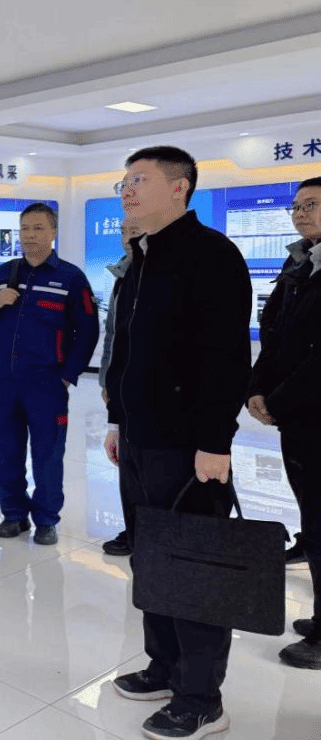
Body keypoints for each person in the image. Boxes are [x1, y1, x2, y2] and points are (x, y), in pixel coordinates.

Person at [104, 146, 251, 739]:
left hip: (189, 447)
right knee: (152, 560)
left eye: (139, 180)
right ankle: (162, 667)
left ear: (180, 187)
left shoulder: (212, 255)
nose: (127, 190)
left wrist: (215, 441)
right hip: (140, 440)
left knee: (194, 570)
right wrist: (118, 419)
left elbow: (226, 357)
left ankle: (201, 698)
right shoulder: (143, 255)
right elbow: (126, 350)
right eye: (124, 181)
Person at [0, 203, 99, 546]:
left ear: (53, 232)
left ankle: (46, 519)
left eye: (38, 228)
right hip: (4, 380)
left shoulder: (70, 277)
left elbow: (88, 330)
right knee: (8, 451)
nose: (30, 235)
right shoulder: (4, 272)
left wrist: (68, 374)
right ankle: (14, 515)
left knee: (47, 453)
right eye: (25, 228)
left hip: (47, 382)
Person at [246, 176, 321, 670]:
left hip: (312, 412)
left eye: (311, 204)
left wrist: (277, 398)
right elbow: (273, 335)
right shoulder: (299, 265)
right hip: (298, 419)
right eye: (295, 206)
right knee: (313, 520)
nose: (300, 213)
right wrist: (255, 388)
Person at [98, 219, 139, 558]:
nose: (128, 238)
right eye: (124, 232)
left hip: (155, 390)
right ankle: (135, 528)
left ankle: (152, 532)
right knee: (128, 464)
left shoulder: (163, 274)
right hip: (122, 387)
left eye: (135, 231)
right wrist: (107, 379)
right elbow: (113, 334)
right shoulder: (122, 275)